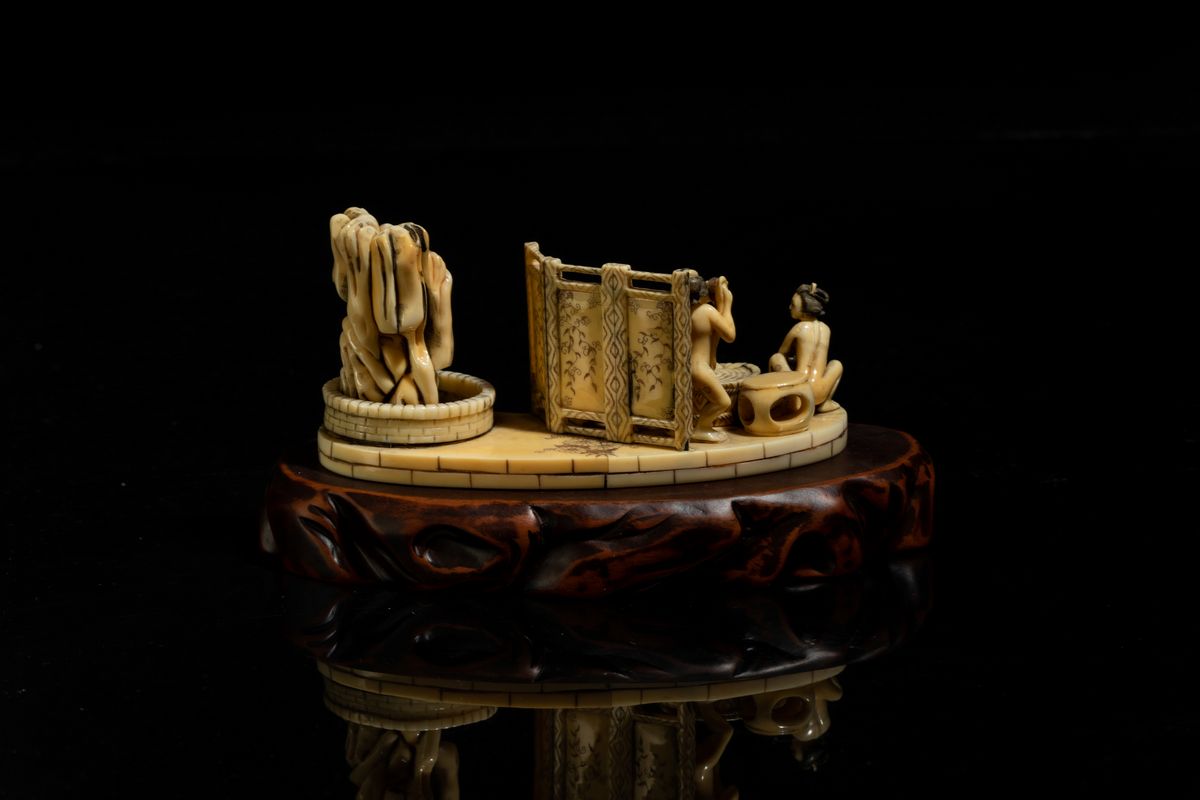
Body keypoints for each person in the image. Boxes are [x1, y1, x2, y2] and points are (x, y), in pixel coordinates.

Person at [768, 283, 842, 412]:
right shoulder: (826, 329)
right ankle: (825, 402)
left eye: (793, 305)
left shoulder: (799, 328)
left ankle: (782, 400)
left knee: (776, 357)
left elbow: (782, 354)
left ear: (804, 310)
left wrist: (793, 359)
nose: (789, 307)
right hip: (819, 393)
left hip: (800, 393)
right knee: (836, 364)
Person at [690, 274, 736, 442]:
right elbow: (730, 335)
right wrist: (727, 304)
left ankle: (701, 427)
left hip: (691, 366)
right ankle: (701, 428)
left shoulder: (684, 311)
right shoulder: (706, 311)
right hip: (699, 368)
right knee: (723, 402)